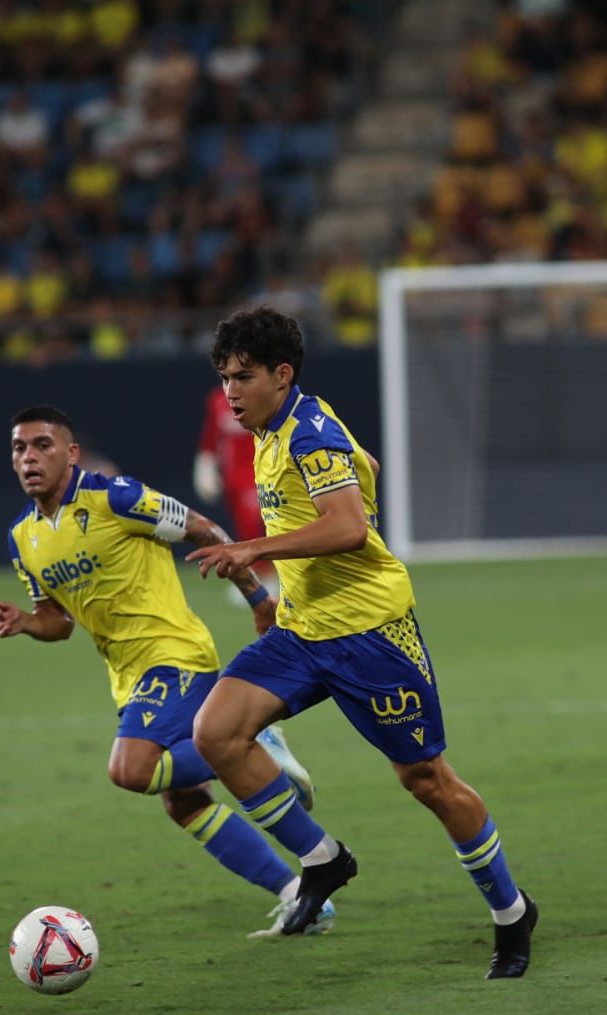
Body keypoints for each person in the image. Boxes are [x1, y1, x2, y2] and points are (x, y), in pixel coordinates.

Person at [184, 307, 537, 979]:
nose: (230, 391)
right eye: (224, 377)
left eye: (243, 377)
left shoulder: (308, 432)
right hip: (302, 630)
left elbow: (347, 528)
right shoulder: (274, 428)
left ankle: (512, 912)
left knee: (427, 781)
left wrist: (254, 548)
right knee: (216, 733)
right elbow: (361, 467)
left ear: (281, 375)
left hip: (370, 635)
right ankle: (323, 860)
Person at [0, 404, 335, 933]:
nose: (29, 458)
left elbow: (204, 528)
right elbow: (57, 621)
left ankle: (249, 742)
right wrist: (26, 623)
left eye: (42, 445)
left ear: (71, 453)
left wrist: (258, 599)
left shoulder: (115, 497)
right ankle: (301, 896)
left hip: (173, 655)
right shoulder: (23, 538)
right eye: (20, 448)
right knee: (184, 802)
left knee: (131, 770)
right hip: (128, 678)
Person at [193, 382, 276, 591]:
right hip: (232, 477)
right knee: (242, 526)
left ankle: (264, 578)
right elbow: (211, 436)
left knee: (256, 524)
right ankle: (254, 577)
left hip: (257, 472)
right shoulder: (217, 400)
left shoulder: (258, 395)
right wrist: (206, 466)